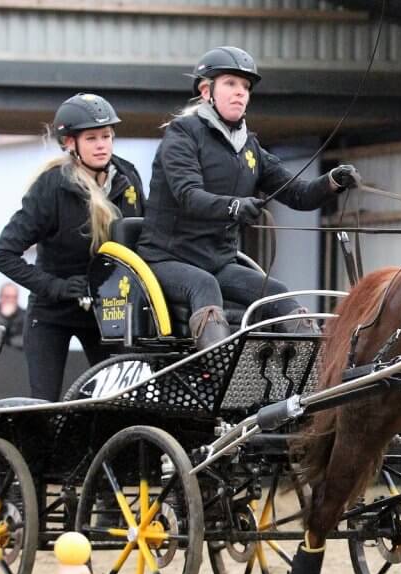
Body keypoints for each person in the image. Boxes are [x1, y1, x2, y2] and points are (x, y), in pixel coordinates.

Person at [137, 45, 361, 349]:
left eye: (245, 87)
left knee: (278, 292)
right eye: (230, 84)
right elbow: (189, 196)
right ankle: (219, 369)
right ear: (206, 91)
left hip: (219, 261)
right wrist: (234, 206)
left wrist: (332, 181)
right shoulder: (183, 135)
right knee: (205, 285)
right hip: (168, 259)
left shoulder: (250, 148)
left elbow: (298, 195)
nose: (240, 92)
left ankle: (316, 368)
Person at [0, 93, 145, 401]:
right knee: (44, 402)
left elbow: (145, 240)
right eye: (92, 138)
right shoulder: (51, 187)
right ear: (70, 143)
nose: (102, 145)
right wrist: (57, 287)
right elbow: (3, 254)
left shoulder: (127, 178)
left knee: (122, 401)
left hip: (108, 312)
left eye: (107, 136)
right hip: (52, 313)